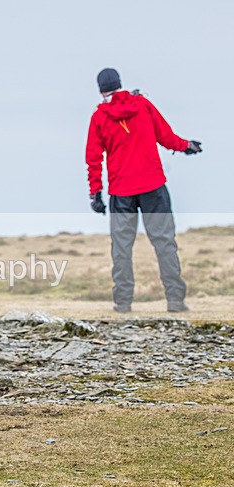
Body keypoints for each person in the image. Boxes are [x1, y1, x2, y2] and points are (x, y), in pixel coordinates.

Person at [85, 69, 202, 313]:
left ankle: (123, 303)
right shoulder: (143, 105)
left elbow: (93, 158)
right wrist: (186, 146)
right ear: (120, 84)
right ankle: (175, 300)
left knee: (121, 248)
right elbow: (166, 136)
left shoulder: (99, 118)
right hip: (153, 188)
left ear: (101, 89)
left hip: (121, 191)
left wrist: (95, 193)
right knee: (164, 243)